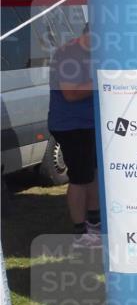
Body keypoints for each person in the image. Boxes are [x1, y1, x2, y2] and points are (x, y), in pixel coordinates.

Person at [48, 24, 102, 250]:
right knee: (80, 178)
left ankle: (95, 223)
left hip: (89, 123)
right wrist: (103, 80)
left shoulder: (94, 53)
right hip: (71, 125)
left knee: (92, 174)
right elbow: (70, 94)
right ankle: (80, 234)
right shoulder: (67, 54)